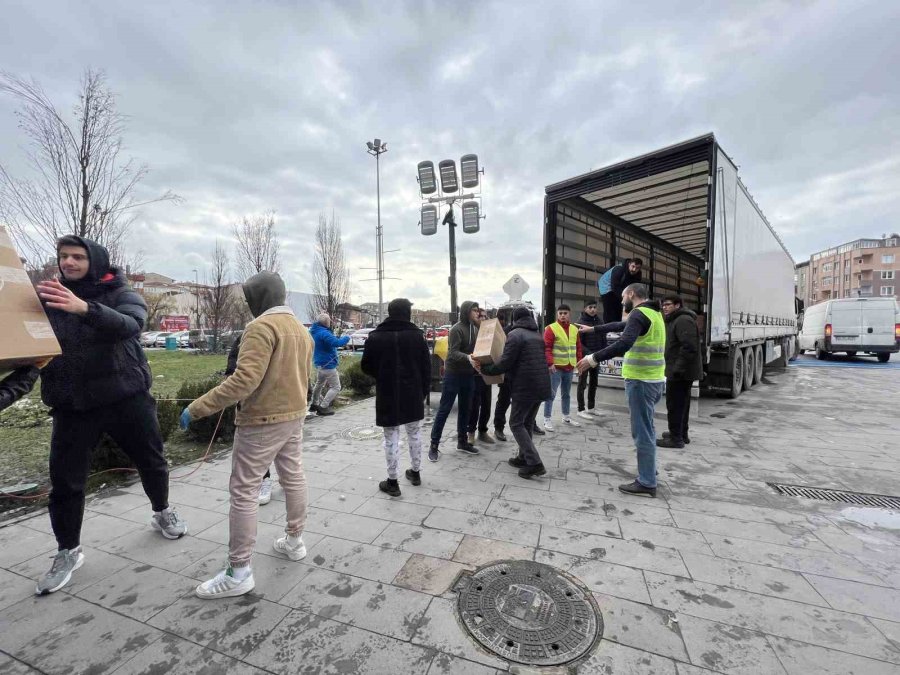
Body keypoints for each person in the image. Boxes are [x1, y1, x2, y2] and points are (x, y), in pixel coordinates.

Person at [4, 236, 188, 596]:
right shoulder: (47, 299)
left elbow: (131, 324)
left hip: (126, 398)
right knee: (65, 482)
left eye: (78, 256)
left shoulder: (120, 292)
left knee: (152, 462)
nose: (69, 262)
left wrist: (83, 308)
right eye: (64, 256)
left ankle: (162, 510)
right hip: (73, 406)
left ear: (96, 261)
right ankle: (67, 551)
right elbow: (33, 350)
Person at [182, 271, 314, 598]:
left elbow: (244, 381)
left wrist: (197, 407)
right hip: (294, 416)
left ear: (259, 298)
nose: (248, 303)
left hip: (261, 420)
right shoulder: (302, 330)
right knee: (293, 476)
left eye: (248, 297)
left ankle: (238, 571)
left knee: (243, 491)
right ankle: (295, 541)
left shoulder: (260, 327)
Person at [577, 283, 665, 497]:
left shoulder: (639, 314)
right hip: (655, 380)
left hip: (641, 381)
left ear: (631, 294)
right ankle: (650, 470)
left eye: (623, 296)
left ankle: (647, 482)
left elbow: (624, 343)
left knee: (641, 431)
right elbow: (620, 324)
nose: (621, 300)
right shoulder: (654, 313)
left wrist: (592, 358)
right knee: (648, 427)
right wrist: (593, 329)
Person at [360, 298, 431, 497]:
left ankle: (392, 481)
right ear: (406, 313)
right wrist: (423, 391)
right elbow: (426, 367)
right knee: (414, 433)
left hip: (387, 391)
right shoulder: (417, 336)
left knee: (391, 436)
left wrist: (382, 374)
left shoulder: (376, 337)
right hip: (413, 391)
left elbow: (366, 366)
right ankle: (415, 472)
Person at [472, 307, 551, 479]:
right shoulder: (537, 335)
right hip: (541, 386)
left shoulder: (515, 335)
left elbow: (505, 363)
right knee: (527, 422)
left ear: (514, 319)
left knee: (516, 423)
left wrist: (486, 369)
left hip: (525, 387)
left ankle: (534, 463)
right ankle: (523, 457)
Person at [429, 301, 481, 460]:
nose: (477, 313)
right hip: (453, 375)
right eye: (474, 310)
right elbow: (452, 353)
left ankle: (462, 442)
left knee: (466, 409)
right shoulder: (456, 329)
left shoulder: (474, 328)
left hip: (468, 374)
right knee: (444, 409)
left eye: (477, 310)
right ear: (466, 311)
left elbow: (476, 350)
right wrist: (468, 357)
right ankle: (434, 445)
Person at [226, 337, 274, 504]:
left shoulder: (284, 335)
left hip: (282, 405)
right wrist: (230, 378)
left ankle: (286, 478)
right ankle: (264, 479)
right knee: (257, 447)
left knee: (283, 450)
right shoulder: (247, 335)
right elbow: (234, 363)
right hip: (253, 406)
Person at [658, 295, 702, 449]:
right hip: (681, 370)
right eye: (663, 305)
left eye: (668, 304)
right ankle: (680, 434)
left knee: (675, 405)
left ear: (677, 305)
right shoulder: (676, 319)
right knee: (681, 404)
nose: (664, 307)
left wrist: (677, 369)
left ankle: (675, 439)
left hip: (680, 372)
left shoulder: (683, 320)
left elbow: (689, 347)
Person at [542, 304, 583, 431]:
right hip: (555, 368)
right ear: (557, 314)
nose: (563, 315)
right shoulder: (551, 328)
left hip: (569, 367)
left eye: (565, 313)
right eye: (560, 313)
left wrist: (579, 364)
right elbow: (546, 348)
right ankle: (547, 419)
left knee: (566, 394)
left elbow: (578, 348)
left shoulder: (574, 329)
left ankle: (566, 416)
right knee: (551, 394)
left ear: (569, 314)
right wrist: (550, 363)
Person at [309, 313, 350, 416]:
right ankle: (323, 407)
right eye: (329, 320)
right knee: (336, 387)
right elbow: (337, 343)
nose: (330, 322)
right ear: (326, 322)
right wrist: (347, 338)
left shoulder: (314, 331)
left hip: (319, 363)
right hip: (328, 364)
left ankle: (314, 404)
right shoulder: (324, 333)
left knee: (319, 384)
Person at [467, 308, 495, 446]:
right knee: (474, 404)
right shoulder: (471, 332)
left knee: (486, 403)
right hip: (474, 374)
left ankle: (483, 431)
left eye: (485, 316)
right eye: (480, 316)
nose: (483, 319)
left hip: (486, 372)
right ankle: (471, 432)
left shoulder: (489, 332)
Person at [575, 301, 604, 420]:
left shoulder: (600, 321)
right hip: (585, 358)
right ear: (585, 309)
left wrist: (602, 353)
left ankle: (591, 408)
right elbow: (578, 343)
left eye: (594, 307)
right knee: (582, 383)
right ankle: (581, 409)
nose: (592, 309)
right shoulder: (580, 322)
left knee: (594, 383)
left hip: (596, 357)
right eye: (590, 307)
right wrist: (589, 354)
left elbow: (603, 338)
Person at [598, 258, 643, 323]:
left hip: (620, 286)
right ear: (629, 264)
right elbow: (615, 287)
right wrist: (625, 298)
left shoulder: (638, 274)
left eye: (637, 268)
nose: (634, 269)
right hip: (606, 286)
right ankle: (608, 325)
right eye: (633, 266)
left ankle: (617, 325)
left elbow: (635, 287)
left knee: (619, 308)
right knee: (610, 308)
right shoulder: (619, 269)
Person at [492, 314, 513, 442]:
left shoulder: (530, 331)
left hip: (521, 374)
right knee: (504, 401)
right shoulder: (506, 332)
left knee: (525, 401)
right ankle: (498, 428)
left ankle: (531, 424)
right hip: (508, 375)